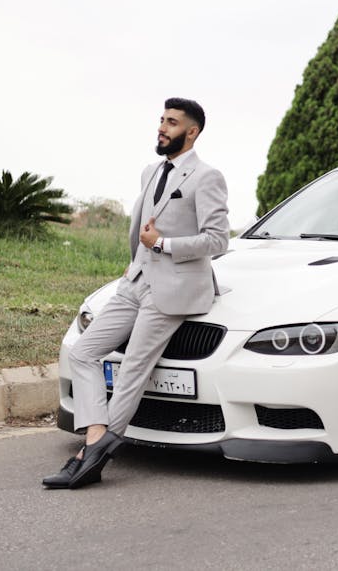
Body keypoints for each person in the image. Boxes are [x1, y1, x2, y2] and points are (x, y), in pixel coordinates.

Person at [42, 97, 229, 489]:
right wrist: (137, 259)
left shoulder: (206, 177)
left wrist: (163, 245)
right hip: (135, 281)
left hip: (173, 288)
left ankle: (88, 460)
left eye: (172, 122)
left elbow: (217, 240)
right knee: (84, 351)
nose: (162, 127)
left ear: (191, 132)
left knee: (132, 371)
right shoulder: (150, 172)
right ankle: (97, 439)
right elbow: (141, 228)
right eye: (161, 120)